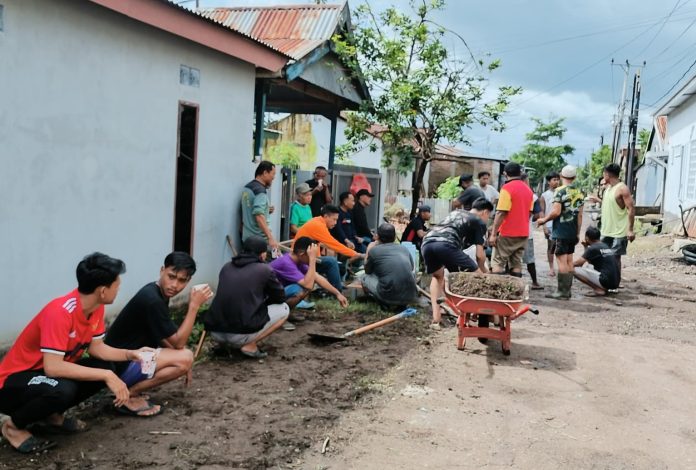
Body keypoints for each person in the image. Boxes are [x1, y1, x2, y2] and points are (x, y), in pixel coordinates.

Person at [0, 253, 152, 454]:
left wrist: (131, 354)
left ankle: (51, 416)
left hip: (43, 378)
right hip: (12, 383)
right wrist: (107, 377)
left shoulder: (95, 308)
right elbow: (53, 368)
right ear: (103, 291)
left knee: (104, 367)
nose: (119, 289)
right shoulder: (60, 312)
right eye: (117, 285)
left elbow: (97, 349)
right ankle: (13, 426)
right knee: (64, 389)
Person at [104, 252, 213, 416]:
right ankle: (129, 394)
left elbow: (163, 336)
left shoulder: (157, 292)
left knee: (184, 358)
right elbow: (178, 343)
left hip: (126, 361)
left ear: (188, 281)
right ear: (162, 270)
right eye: (171, 276)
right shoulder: (152, 300)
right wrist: (194, 306)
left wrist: (181, 356)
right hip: (120, 365)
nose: (174, 285)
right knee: (185, 358)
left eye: (182, 280)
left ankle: (130, 390)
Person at [204, 236, 289, 359]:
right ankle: (250, 345)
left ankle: (223, 346)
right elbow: (280, 297)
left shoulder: (227, 267)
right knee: (284, 309)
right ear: (263, 254)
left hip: (215, 332)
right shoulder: (264, 269)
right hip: (240, 334)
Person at [421, 198, 494, 328]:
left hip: (427, 243)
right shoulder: (479, 222)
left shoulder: (456, 213)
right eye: (488, 217)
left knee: (437, 277)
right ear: (485, 212)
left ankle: (436, 318)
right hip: (446, 244)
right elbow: (480, 255)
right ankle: (463, 318)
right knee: (473, 278)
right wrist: (484, 273)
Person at [536, 165, 585, 300]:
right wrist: (577, 233)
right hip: (572, 231)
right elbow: (580, 216)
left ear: (562, 176)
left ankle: (562, 292)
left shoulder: (559, 191)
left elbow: (556, 211)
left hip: (561, 231)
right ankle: (567, 291)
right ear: (574, 177)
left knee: (561, 261)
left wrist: (544, 220)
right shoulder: (580, 192)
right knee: (569, 261)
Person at [271, 237, 349, 316]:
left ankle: (285, 313)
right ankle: (281, 315)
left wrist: (337, 293)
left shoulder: (298, 260)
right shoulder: (286, 263)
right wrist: (312, 259)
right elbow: (308, 285)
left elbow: (316, 277)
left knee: (307, 283)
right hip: (266, 298)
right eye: (311, 255)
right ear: (302, 253)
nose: (314, 257)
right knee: (302, 288)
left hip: (277, 293)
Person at [294, 204, 364, 291]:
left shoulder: (318, 221)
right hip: (302, 259)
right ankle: (337, 291)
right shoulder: (318, 225)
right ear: (326, 216)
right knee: (331, 262)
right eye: (334, 219)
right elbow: (333, 244)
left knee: (334, 261)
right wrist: (356, 254)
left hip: (307, 256)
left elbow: (327, 243)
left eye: (336, 220)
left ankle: (336, 286)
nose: (335, 223)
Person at [488, 162, 534, 278]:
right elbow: (529, 213)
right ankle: (515, 291)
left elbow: (501, 212)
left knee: (498, 261)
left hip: (507, 232)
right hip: (523, 232)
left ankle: (497, 291)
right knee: (516, 263)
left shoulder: (507, 188)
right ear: (520, 173)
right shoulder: (528, 191)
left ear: (505, 173)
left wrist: (493, 234)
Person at [362, 223, 418, 307]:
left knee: (364, 277)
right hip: (410, 296)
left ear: (377, 237)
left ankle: (377, 300)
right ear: (395, 237)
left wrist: (369, 249)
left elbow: (367, 271)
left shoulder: (374, 250)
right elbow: (412, 268)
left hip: (388, 297)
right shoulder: (403, 248)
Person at [598, 163, 635, 285]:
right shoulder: (608, 188)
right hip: (606, 230)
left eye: (604, 173)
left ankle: (615, 284)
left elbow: (631, 209)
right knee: (603, 256)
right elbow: (608, 205)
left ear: (607, 174)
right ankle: (606, 281)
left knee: (615, 258)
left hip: (619, 231)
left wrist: (630, 230)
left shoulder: (622, 188)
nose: (603, 176)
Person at [241, 160, 278, 251]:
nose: (273, 178)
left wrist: (266, 209)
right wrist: (270, 237)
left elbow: (249, 209)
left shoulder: (247, 187)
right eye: (272, 174)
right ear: (265, 173)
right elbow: (259, 216)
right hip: (258, 241)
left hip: (247, 237)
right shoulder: (260, 191)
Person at [573, 226, 620, 296]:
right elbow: (589, 261)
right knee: (589, 266)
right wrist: (585, 247)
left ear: (587, 237)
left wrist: (566, 266)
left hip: (606, 281)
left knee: (571, 269)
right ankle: (602, 287)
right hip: (615, 282)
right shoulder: (604, 245)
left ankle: (598, 289)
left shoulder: (593, 248)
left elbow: (578, 263)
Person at [520, 173, 543, 289]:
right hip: (526, 233)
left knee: (512, 260)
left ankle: (514, 283)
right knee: (529, 259)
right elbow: (537, 215)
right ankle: (534, 282)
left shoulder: (509, 192)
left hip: (510, 232)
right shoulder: (533, 197)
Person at [539, 171, 561, 277]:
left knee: (561, 247)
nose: (557, 182)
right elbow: (542, 211)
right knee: (551, 246)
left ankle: (561, 267)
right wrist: (544, 225)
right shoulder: (544, 195)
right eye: (554, 180)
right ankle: (551, 268)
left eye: (558, 179)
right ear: (549, 182)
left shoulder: (562, 193)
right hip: (549, 224)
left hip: (561, 224)